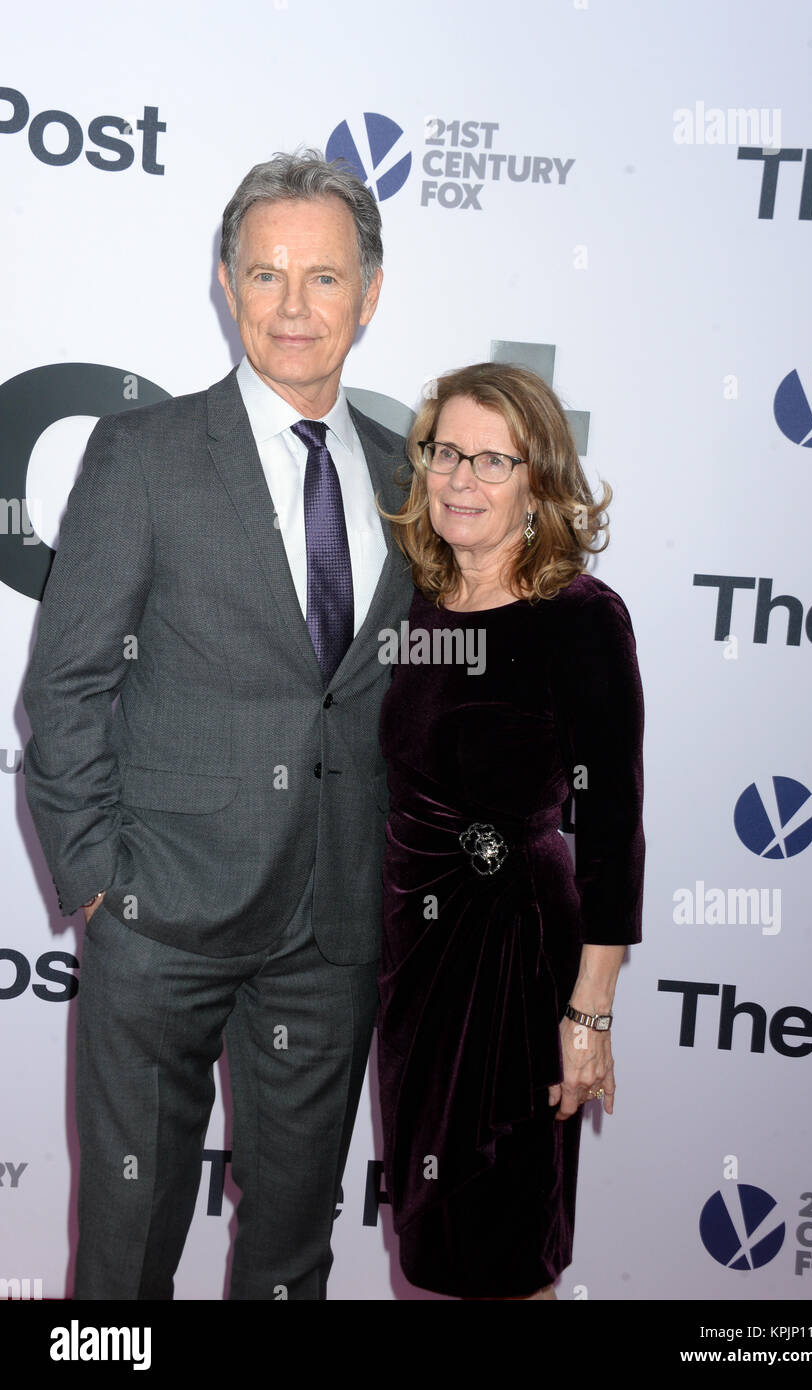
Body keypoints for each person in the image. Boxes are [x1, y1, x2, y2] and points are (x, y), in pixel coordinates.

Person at [22, 150, 412, 1300]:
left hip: (331, 929)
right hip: (162, 918)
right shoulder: (143, 455)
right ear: (226, 286)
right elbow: (67, 685)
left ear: (370, 294)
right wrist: (97, 879)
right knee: (125, 1241)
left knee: (293, 1246)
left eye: (324, 278)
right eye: (265, 275)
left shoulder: (404, 477)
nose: (293, 307)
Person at [376, 362, 645, 1300]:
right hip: (416, 960)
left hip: (516, 958)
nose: (458, 478)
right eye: (445, 451)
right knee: (433, 1247)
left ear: (539, 482)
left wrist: (590, 1012)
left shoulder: (577, 619)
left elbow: (612, 827)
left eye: (492, 460)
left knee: (504, 1239)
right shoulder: (413, 604)